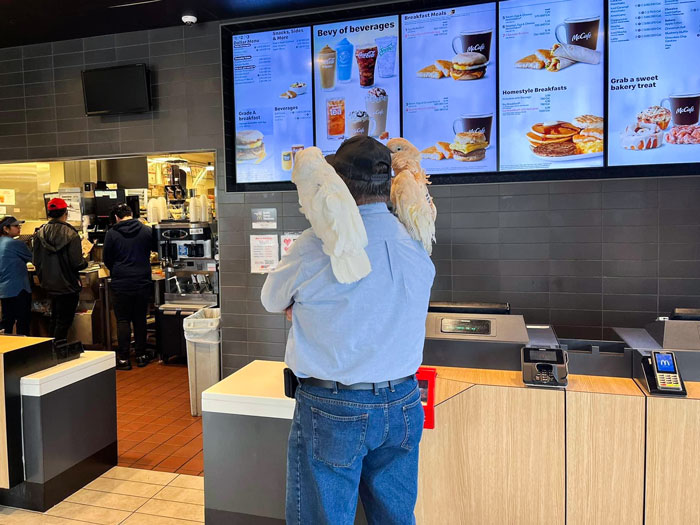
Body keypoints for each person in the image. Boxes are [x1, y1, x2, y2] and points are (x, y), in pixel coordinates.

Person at [261, 136, 436, 525]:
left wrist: (302, 306)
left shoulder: (316, 244)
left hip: (334, 407)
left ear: (336, 182)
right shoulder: (413, 239)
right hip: (405, 402)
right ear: (386, 181)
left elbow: (272, 300)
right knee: (395, 518)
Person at [103, 203, 155, 370]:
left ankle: (124, 358)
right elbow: (154, 249)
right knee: (140, 319)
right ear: (131, 214)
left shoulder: (111, 234)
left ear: (117, 217)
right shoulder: (147, 230)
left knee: (123, 319)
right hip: (142, 280)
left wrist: (118, 270)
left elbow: (107, 259)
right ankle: (141, 355)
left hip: (121, 282)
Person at [33, 198, 89, 342]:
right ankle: (59, 350)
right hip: (68, 284)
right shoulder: (71, 234)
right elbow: (76, 263)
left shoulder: (40, 233)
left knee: (54, 318)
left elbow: (36, 261)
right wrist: (85, 261)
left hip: (49, 285)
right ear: (66, 213)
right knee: (64, 321)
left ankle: (51, 349)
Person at [0, 216, 32, 336]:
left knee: (7, 321)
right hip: (19, 288)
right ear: (6, 229)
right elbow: (33, 257)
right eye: (15, 226)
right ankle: (24, 350)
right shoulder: (15, 244)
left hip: (4, 289)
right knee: (23, 321)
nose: (19, 228)